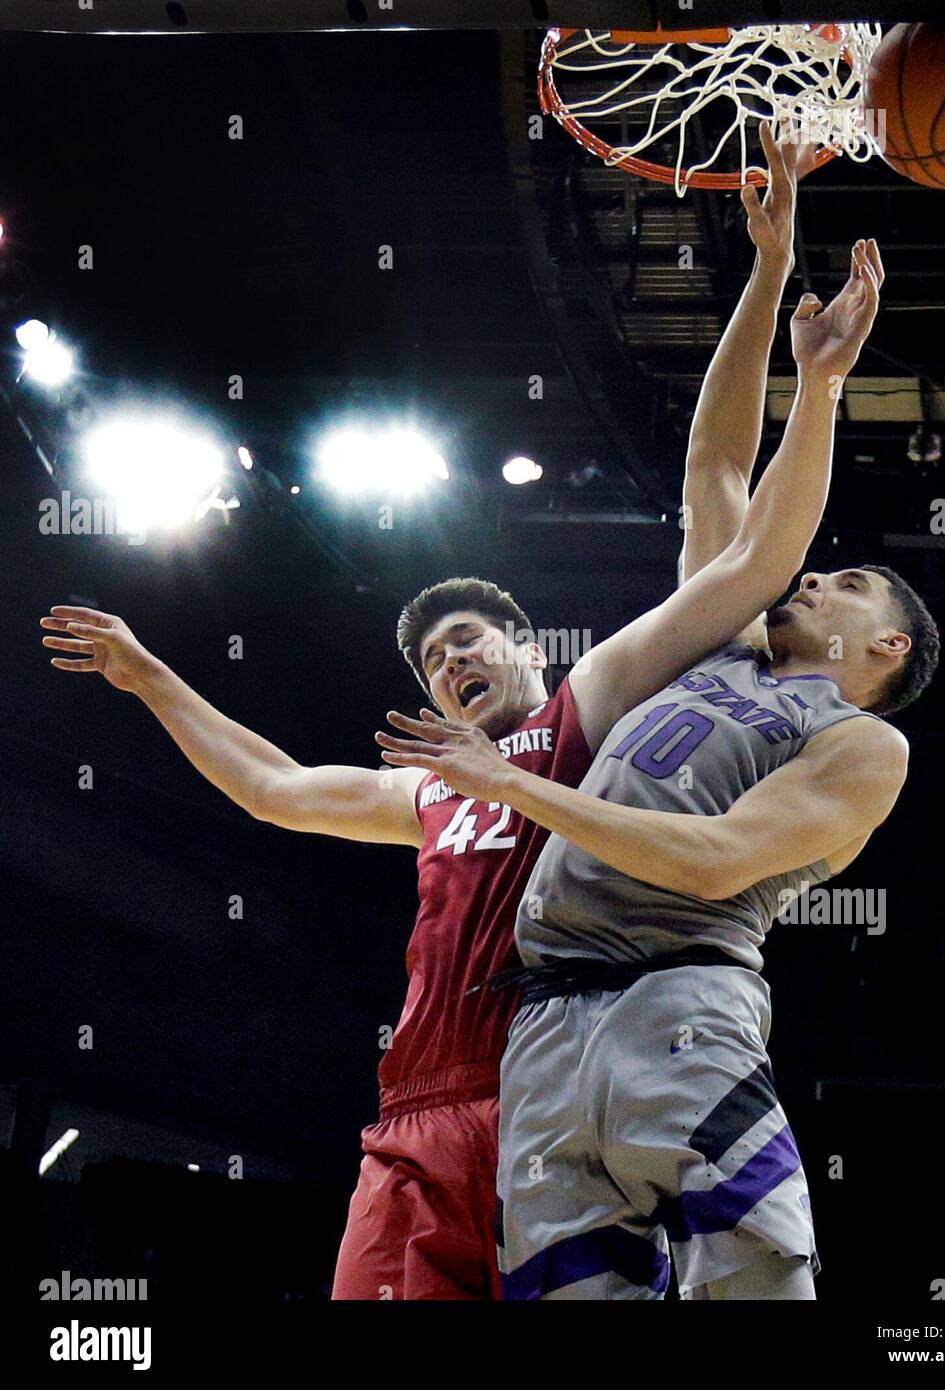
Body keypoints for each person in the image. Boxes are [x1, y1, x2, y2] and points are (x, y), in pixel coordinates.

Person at [41, 127, 853, 1300]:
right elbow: (273, 788)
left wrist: (788, 315)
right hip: (428, 1105)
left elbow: (737, 529)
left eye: (465, 639)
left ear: (530, 646)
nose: (446, 663)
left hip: (570, 1070)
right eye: (428, 659)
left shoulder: (590, 709)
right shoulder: (431, 784)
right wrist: (148, 672)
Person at [376, 241, 932, 1302]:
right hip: (539, 1024)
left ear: (886, 650)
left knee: (754, 1281)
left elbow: (716, 860)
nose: (816, 574)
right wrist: (771, 278)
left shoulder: (860, 744)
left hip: (675, 1001)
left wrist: (517, 787)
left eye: (850, 583)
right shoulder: (716, 649)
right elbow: (717, 473)